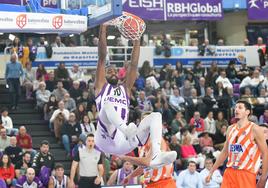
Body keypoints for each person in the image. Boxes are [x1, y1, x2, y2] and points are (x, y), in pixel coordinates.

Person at [94, 25, 176, 168]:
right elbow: (102, 58)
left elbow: (133, 65)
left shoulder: (125, 88)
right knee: (107, 105)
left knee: (156, 116)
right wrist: (103, 29)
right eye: (109, 71)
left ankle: (156, 155)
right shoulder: (101, 87)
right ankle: (126, 129)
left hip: (123, 142)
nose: (112, 72)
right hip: (104, 138)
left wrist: (137, 40)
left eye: (114, 71)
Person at [206, 100, 268, 188]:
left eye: (240, 107)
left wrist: (263, 178)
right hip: (229, 172)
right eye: (235, 107)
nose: (236, 110)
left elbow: (265, 153)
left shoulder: (255, 129)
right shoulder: (230, 129)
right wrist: (211, 171)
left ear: (247, 112)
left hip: (246, 173)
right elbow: (224, 152)